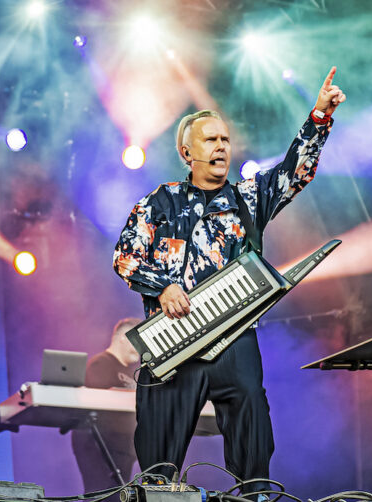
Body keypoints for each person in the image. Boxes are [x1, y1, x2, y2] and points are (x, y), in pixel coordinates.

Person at [112, 67, 345, 496]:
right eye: (210, 140)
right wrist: (163, 286)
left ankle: (254, 492)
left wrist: (318, 118)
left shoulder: (248, 198)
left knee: (252, 419)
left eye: (225, 139)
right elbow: (124, 257)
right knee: (157, 461)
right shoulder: (158, 203)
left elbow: (294, 172)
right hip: (175, 340)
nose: (221, 146)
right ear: (187, 152)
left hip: (234, 334)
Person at [71, 317, 142, 495]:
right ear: (123, 337)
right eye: (139, 342)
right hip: (100, 445)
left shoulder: (131, 371)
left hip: (123, 448)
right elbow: (94, 404)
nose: (142, 350)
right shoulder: (101, 364)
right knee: (101, 495)